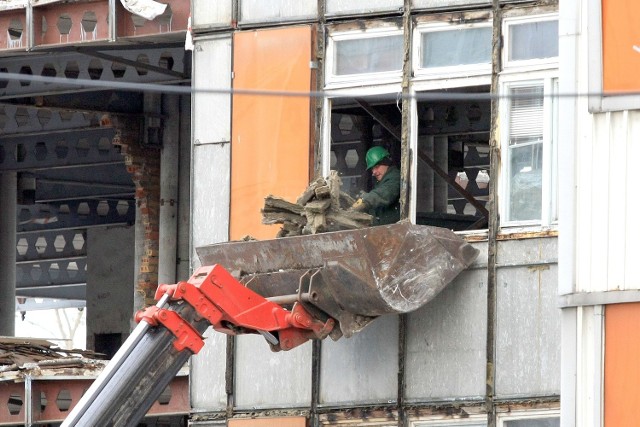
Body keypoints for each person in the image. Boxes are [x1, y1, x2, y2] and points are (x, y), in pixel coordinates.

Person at [350, 146, 400, 225]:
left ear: (386, 163)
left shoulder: (395, 178)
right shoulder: (381, 181)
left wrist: (364, 201)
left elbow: (383, 194)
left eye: (377, 167)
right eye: (372, 169)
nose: (374, 172)